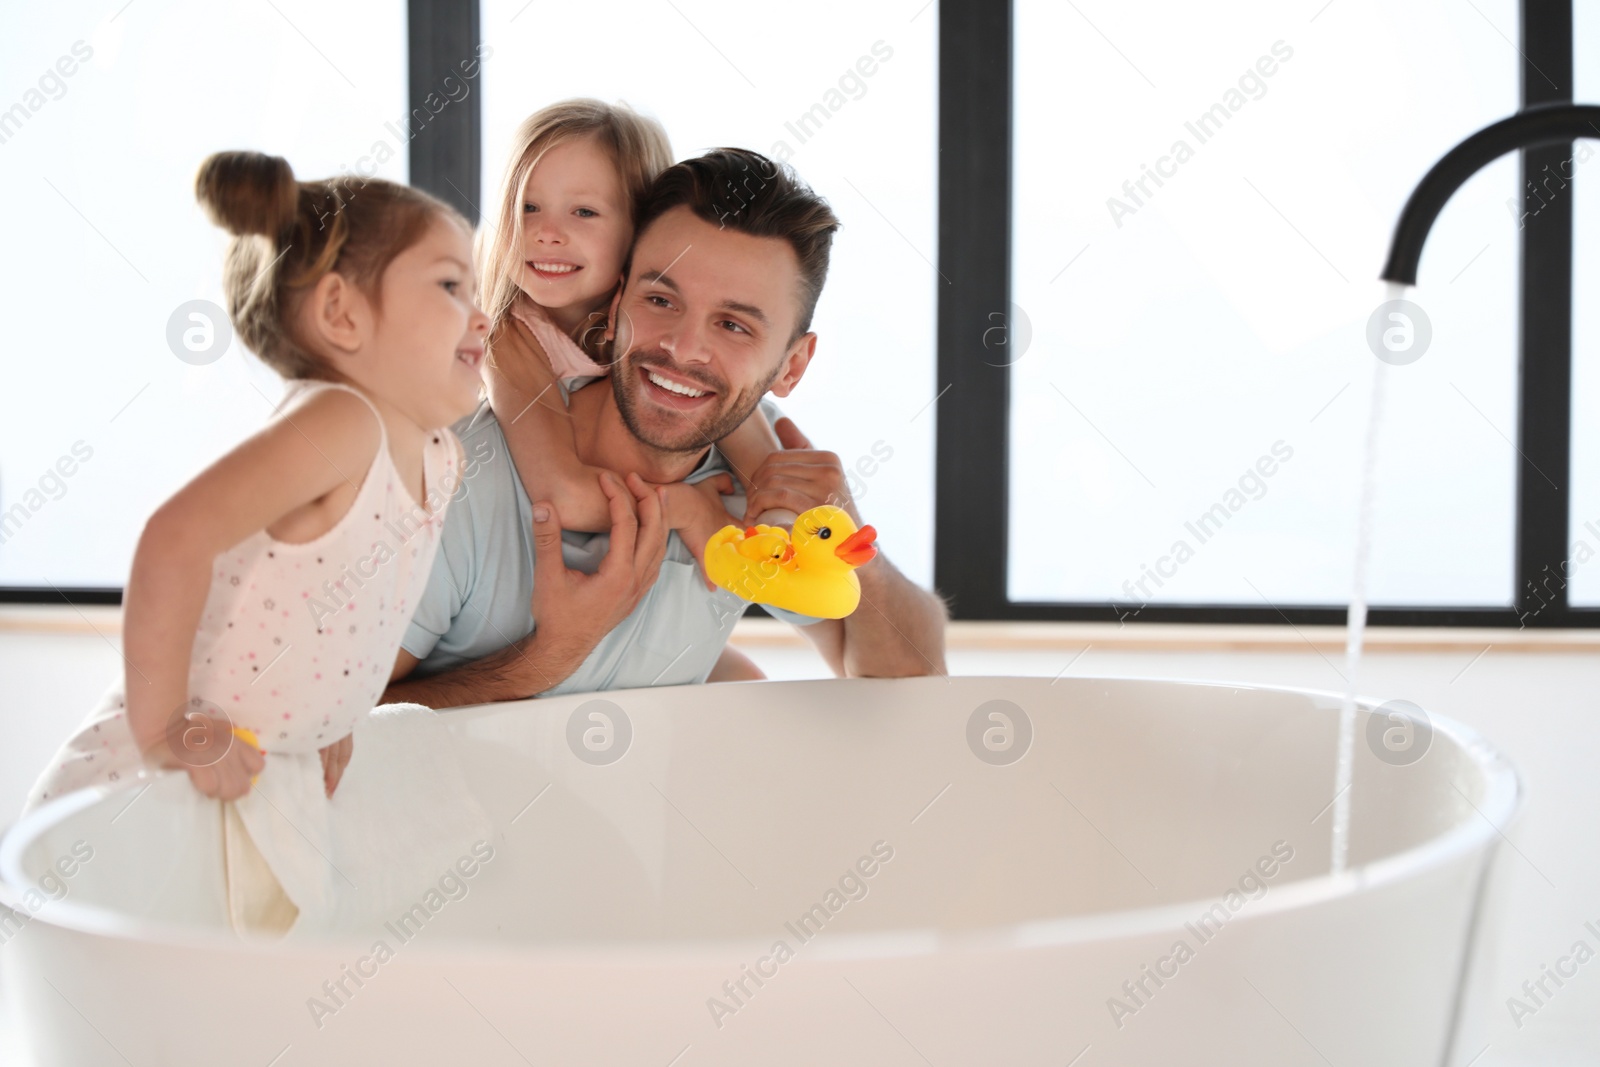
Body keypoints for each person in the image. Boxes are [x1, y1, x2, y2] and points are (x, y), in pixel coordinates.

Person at [384, 148, 948, 710]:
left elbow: (908, 680)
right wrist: (548, 659)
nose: (683, 348)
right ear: (616, 302)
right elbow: (331, 728)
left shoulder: (756, 481)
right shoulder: (458, 476)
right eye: (660, 299)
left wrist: (847, 538)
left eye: (733, 325)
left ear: (792, 365)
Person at [25, 149, 496, 810]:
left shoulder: (440, 457)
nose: (480, 316)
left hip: (236, 771)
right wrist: (169, 728)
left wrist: (323, 714)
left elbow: (350, 608)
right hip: (139, 790)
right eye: (450, 287)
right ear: (342, 313)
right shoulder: (344, 422)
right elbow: (176, 536)